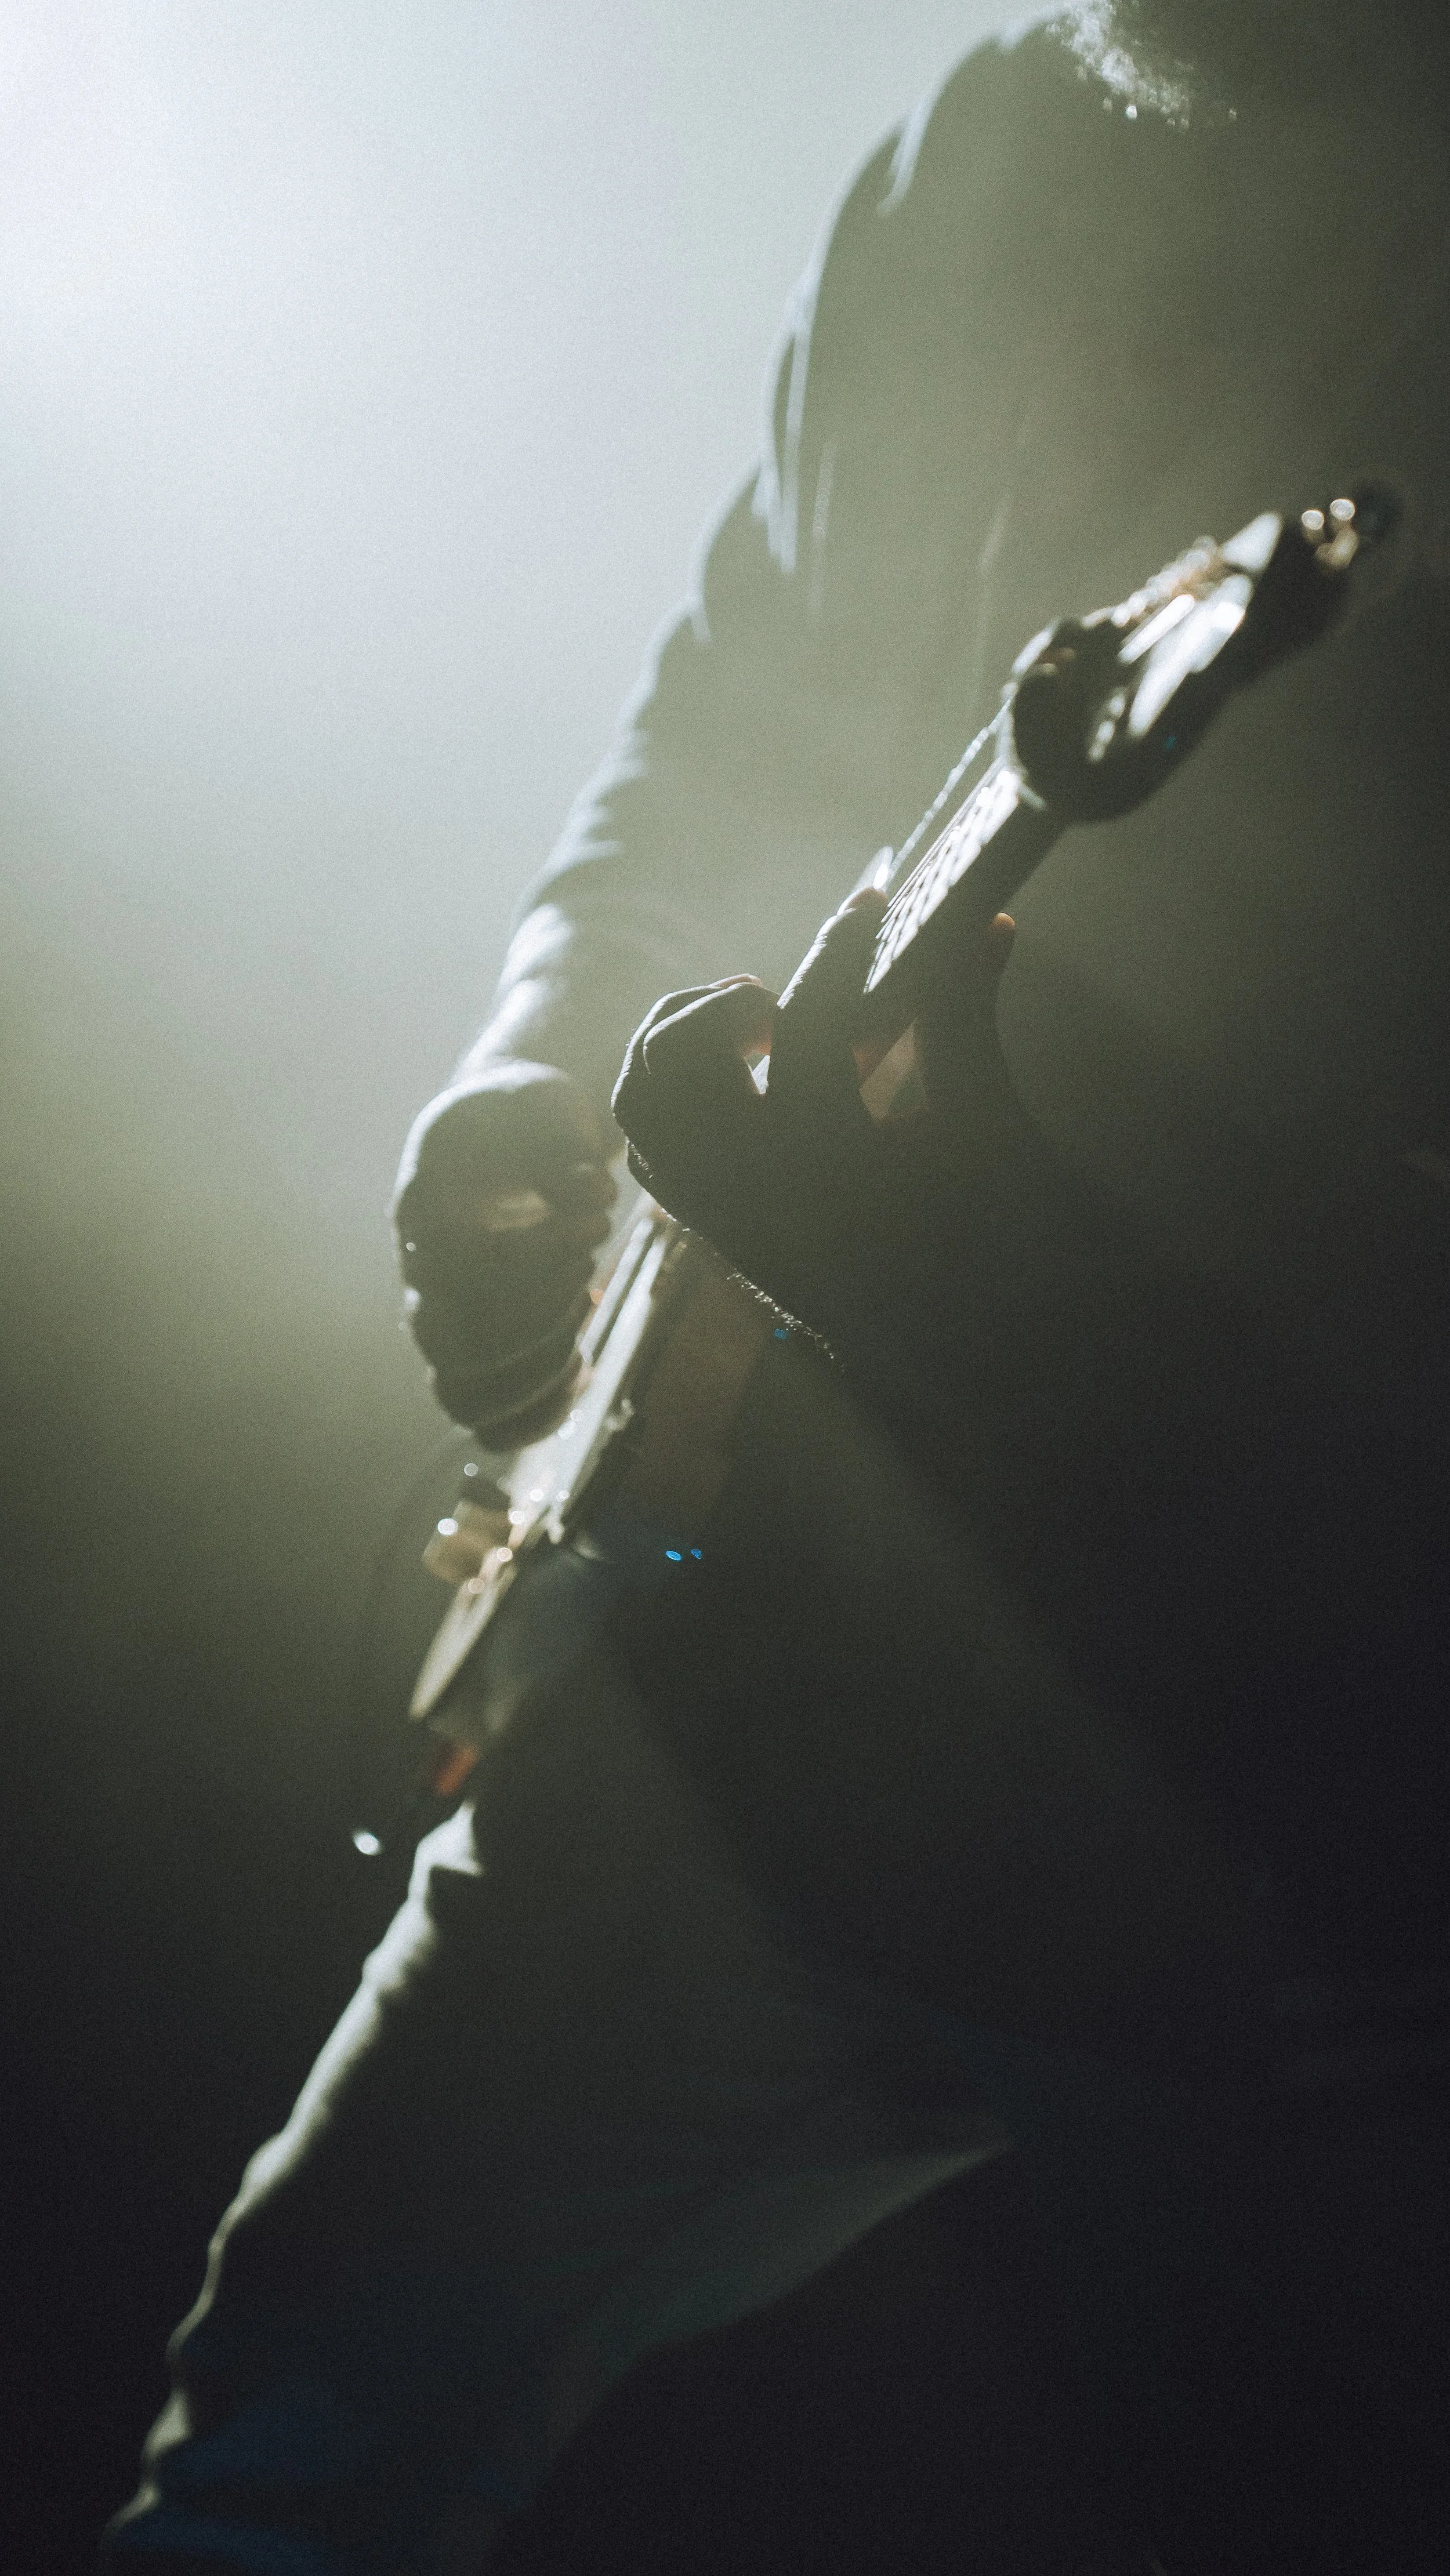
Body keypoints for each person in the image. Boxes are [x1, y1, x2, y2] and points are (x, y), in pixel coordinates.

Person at [105, 5, 1450, 2568]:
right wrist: (529, 1075)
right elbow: (720, 720)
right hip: (742, 1687)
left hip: (1315, 1841)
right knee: (276, 2480)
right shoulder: (1002, 135)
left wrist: (998, 1283)